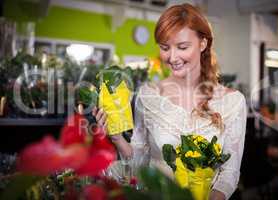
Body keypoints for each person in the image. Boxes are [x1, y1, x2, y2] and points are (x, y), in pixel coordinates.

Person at [95, 3, 247, 200]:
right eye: (165, 48)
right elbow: (139, 164)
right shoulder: (148, 96)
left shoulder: (233, 102)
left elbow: (230, 173)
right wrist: (116, 137)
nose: (172, 57)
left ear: (203, 44)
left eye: (182, 47)